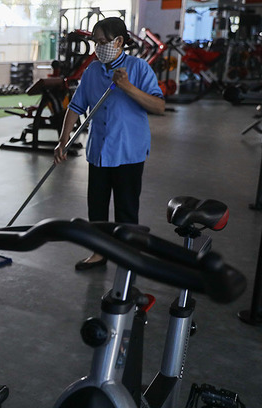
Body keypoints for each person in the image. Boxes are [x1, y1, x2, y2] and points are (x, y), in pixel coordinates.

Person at [54, 17, 165, 270]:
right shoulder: (92, 70)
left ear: (119, 42)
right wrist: (63, 141)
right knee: (97, 208)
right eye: (95, 42)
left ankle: (128, 257)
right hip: (99, 151)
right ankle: (99, 252)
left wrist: (126, 86)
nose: (98, 47)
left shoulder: (138, 68)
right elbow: (75, 107)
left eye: (103, 42)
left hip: (128, 152)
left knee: (126, 210)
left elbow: (159, 106)